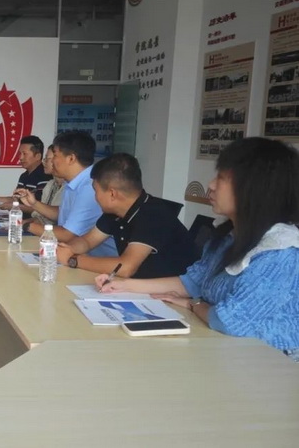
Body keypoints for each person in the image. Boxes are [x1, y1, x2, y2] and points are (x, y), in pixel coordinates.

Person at [96, 137, 299, 361]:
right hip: (223, 349)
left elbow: (228, 321)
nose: (211, 185)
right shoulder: (228, 236)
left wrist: (194, 304)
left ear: (254, 188)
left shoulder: (280, 251)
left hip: (273, 364)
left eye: (221, 178)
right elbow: (191, 282)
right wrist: (123, 285)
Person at [56, 153, 197, 278]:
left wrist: (73, 260)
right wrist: (63, 250)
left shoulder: (153, 214)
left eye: (96, 191)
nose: (95, 197)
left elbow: (126, 267)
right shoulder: (114, 212)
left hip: (176, 295)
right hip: (138, 288)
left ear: (112, 194)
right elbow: (87, 241)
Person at [21, 131, 116, 255]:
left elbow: (68, 235)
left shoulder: (90, 186)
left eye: (55, 155)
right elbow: (64, 214)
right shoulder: (72, 182)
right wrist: (34, 203)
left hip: (97, 261)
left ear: (71, 158)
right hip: (73, 253)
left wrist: (27, 226)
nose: (51, 161)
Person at [0, 135, 50, 213]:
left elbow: (41, 209)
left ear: (38, 156)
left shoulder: (45, 177)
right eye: (20, 153)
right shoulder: (24, 176)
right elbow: (16, 199)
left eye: (24, 154)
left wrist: (15, 207)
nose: (20, 157)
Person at [19, 144, 65, 229]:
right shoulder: (50, 184)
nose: (44, 162)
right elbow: (42, 218)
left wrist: (34, 204)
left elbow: (59, 216)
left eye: (47, 159)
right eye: (45, 159)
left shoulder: (70, 187)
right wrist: (23, 223)